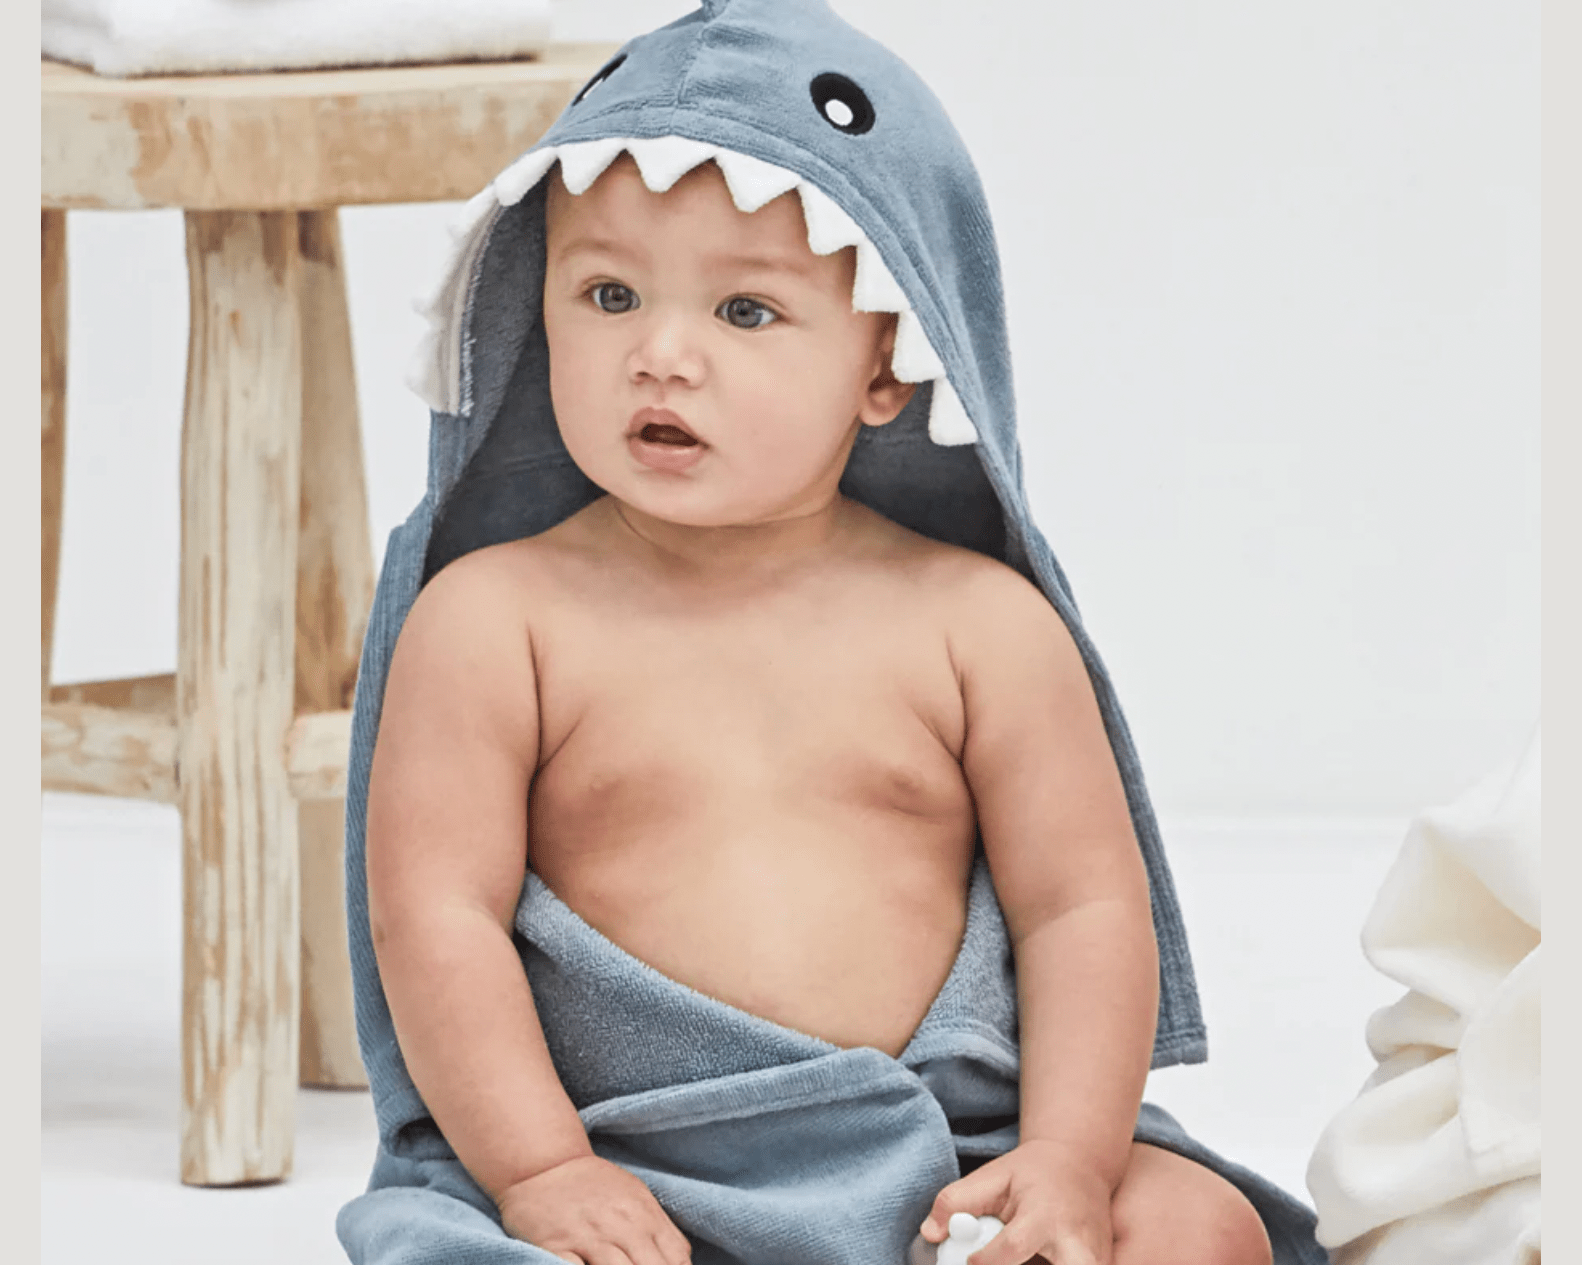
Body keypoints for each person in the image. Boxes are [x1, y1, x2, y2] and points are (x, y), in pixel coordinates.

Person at [337, 4, 1328, 1264]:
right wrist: (540, 1171)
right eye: (608, 293)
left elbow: (1081, 907)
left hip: (947, 1153)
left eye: (745, 311)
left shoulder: (978, 624)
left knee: (1195, 1222)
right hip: (627, 1163)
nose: (660, 354)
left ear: (885, 366)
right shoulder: (493, 618)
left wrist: (1067, 1159)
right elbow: (435, 915)